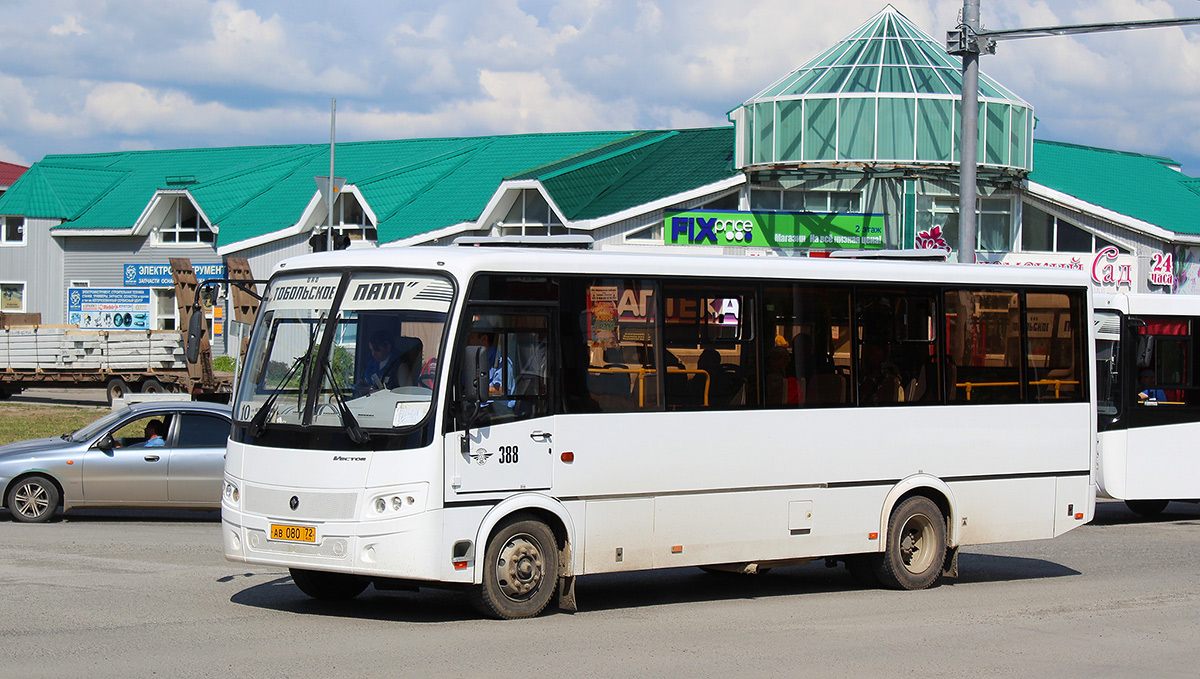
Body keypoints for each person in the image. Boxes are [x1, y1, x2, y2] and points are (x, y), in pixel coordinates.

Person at [356, 330, 399, 395]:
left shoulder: (398, 366)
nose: (374, 354)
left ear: (388, 347)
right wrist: (364, 385)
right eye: (371, 350)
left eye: (377, 350)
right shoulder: (371, 364)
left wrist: (372, 389)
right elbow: (370, 381)